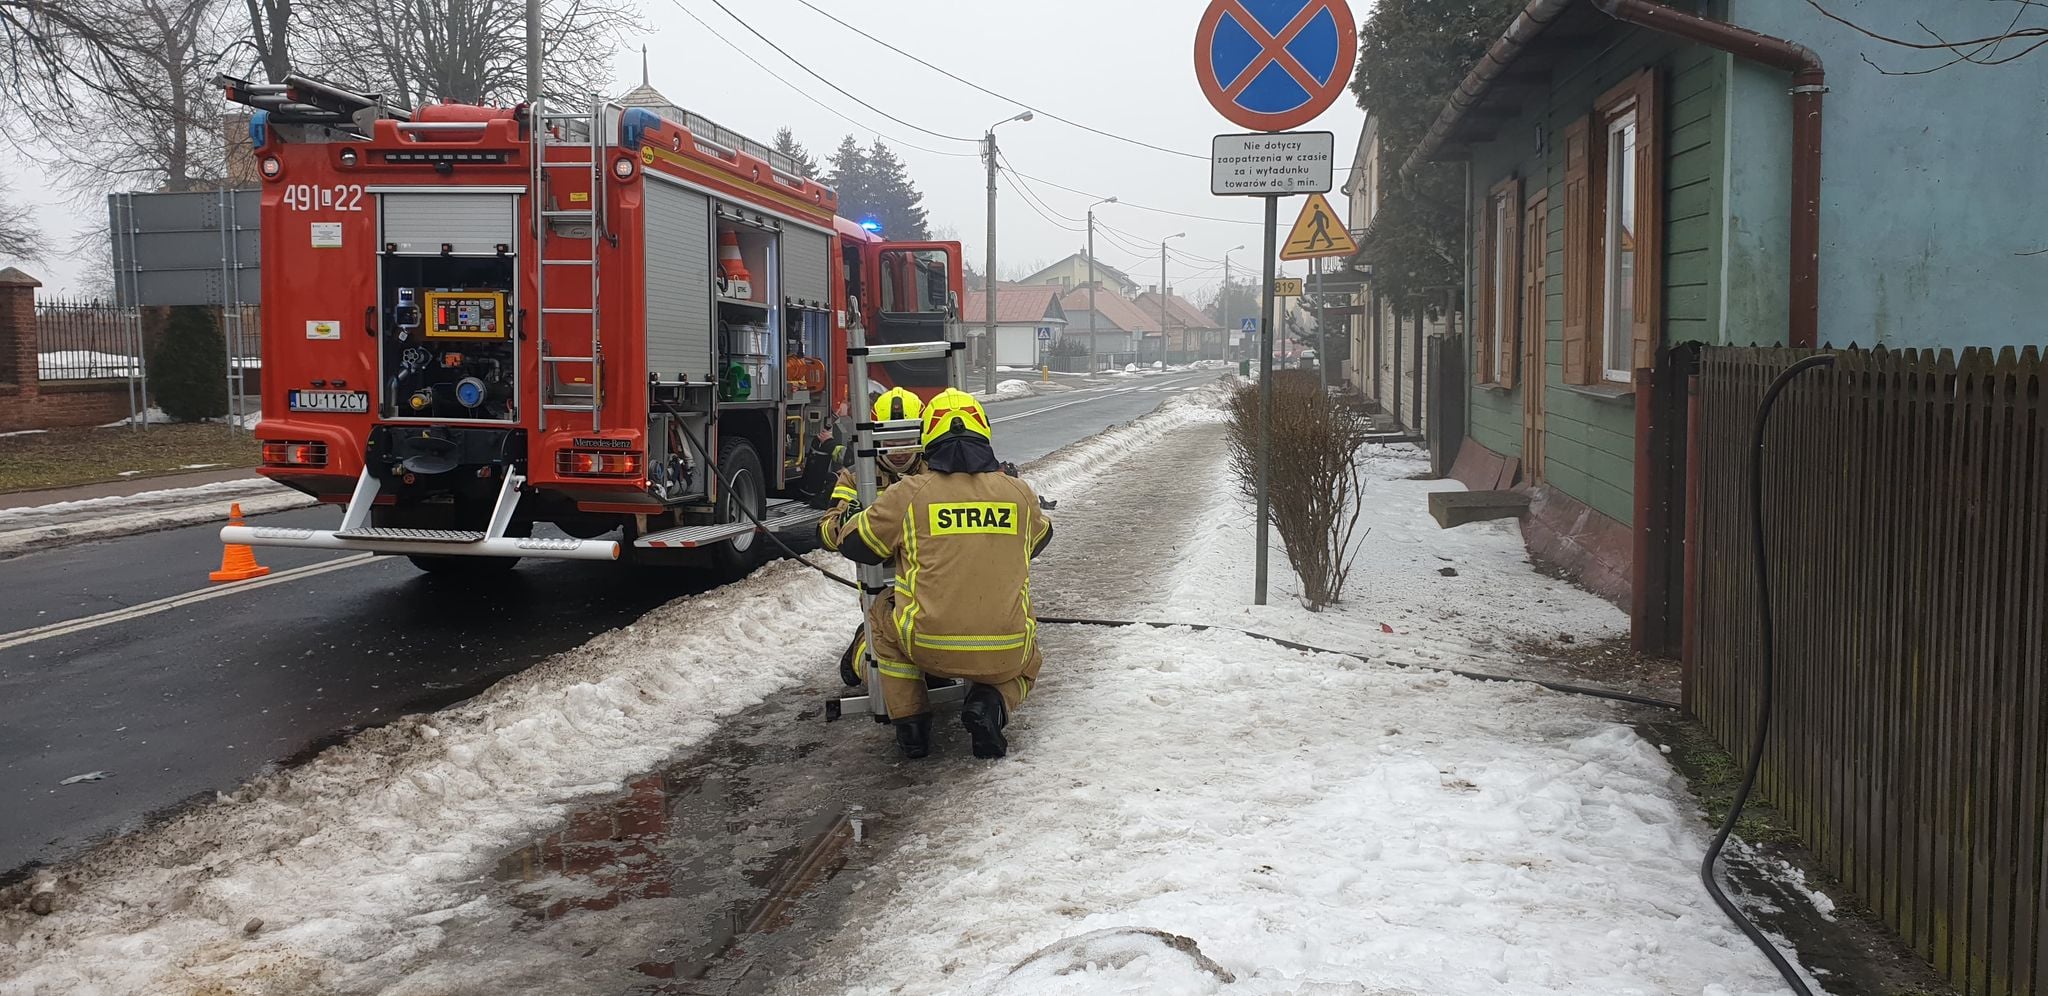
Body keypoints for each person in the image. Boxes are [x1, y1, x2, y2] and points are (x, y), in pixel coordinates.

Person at [832, 388, 1053, 759]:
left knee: (881, 617)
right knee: (1031, 659)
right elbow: (1039, 539)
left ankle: (912, 726)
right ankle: (991, 703)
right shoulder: (1019, 494)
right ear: (984, 434)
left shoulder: (909, 493)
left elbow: (855, 543)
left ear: (928, 441)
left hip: (927, 649)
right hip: (1006, 650)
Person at [820, 387, 926, 686]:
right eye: (891, 441)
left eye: (906, 440)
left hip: (931, 585)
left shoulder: (936, 470)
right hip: (881, 592)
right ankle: (860, 648)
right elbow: (826, 533)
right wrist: (848, 521)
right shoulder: (855, 477)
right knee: (885, 675)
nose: (900, 450)